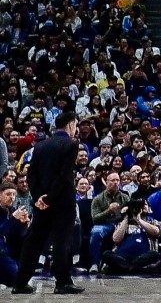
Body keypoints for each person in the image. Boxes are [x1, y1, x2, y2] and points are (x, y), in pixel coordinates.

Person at [11, 112, 83, 296]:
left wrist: (39, 198)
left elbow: (31, 174)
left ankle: (20, 282)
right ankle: (62, 282)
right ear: (70, 124)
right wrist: (49, 198)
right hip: (62, 202)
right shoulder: (71, 144)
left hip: (41, 202)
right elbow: (64, 175)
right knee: (61, 241)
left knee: (34, 241)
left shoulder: (40, 146)